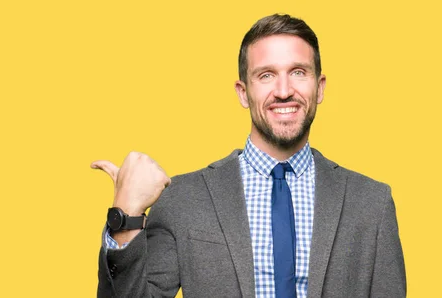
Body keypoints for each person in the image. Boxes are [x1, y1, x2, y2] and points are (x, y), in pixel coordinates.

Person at [92, 14, 406, 298]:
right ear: (243, 92)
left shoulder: (372, 204)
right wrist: (126, 218)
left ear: (320, 87)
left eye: (298, 72)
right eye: (266, 75)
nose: (284, 90)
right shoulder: (183, 200)